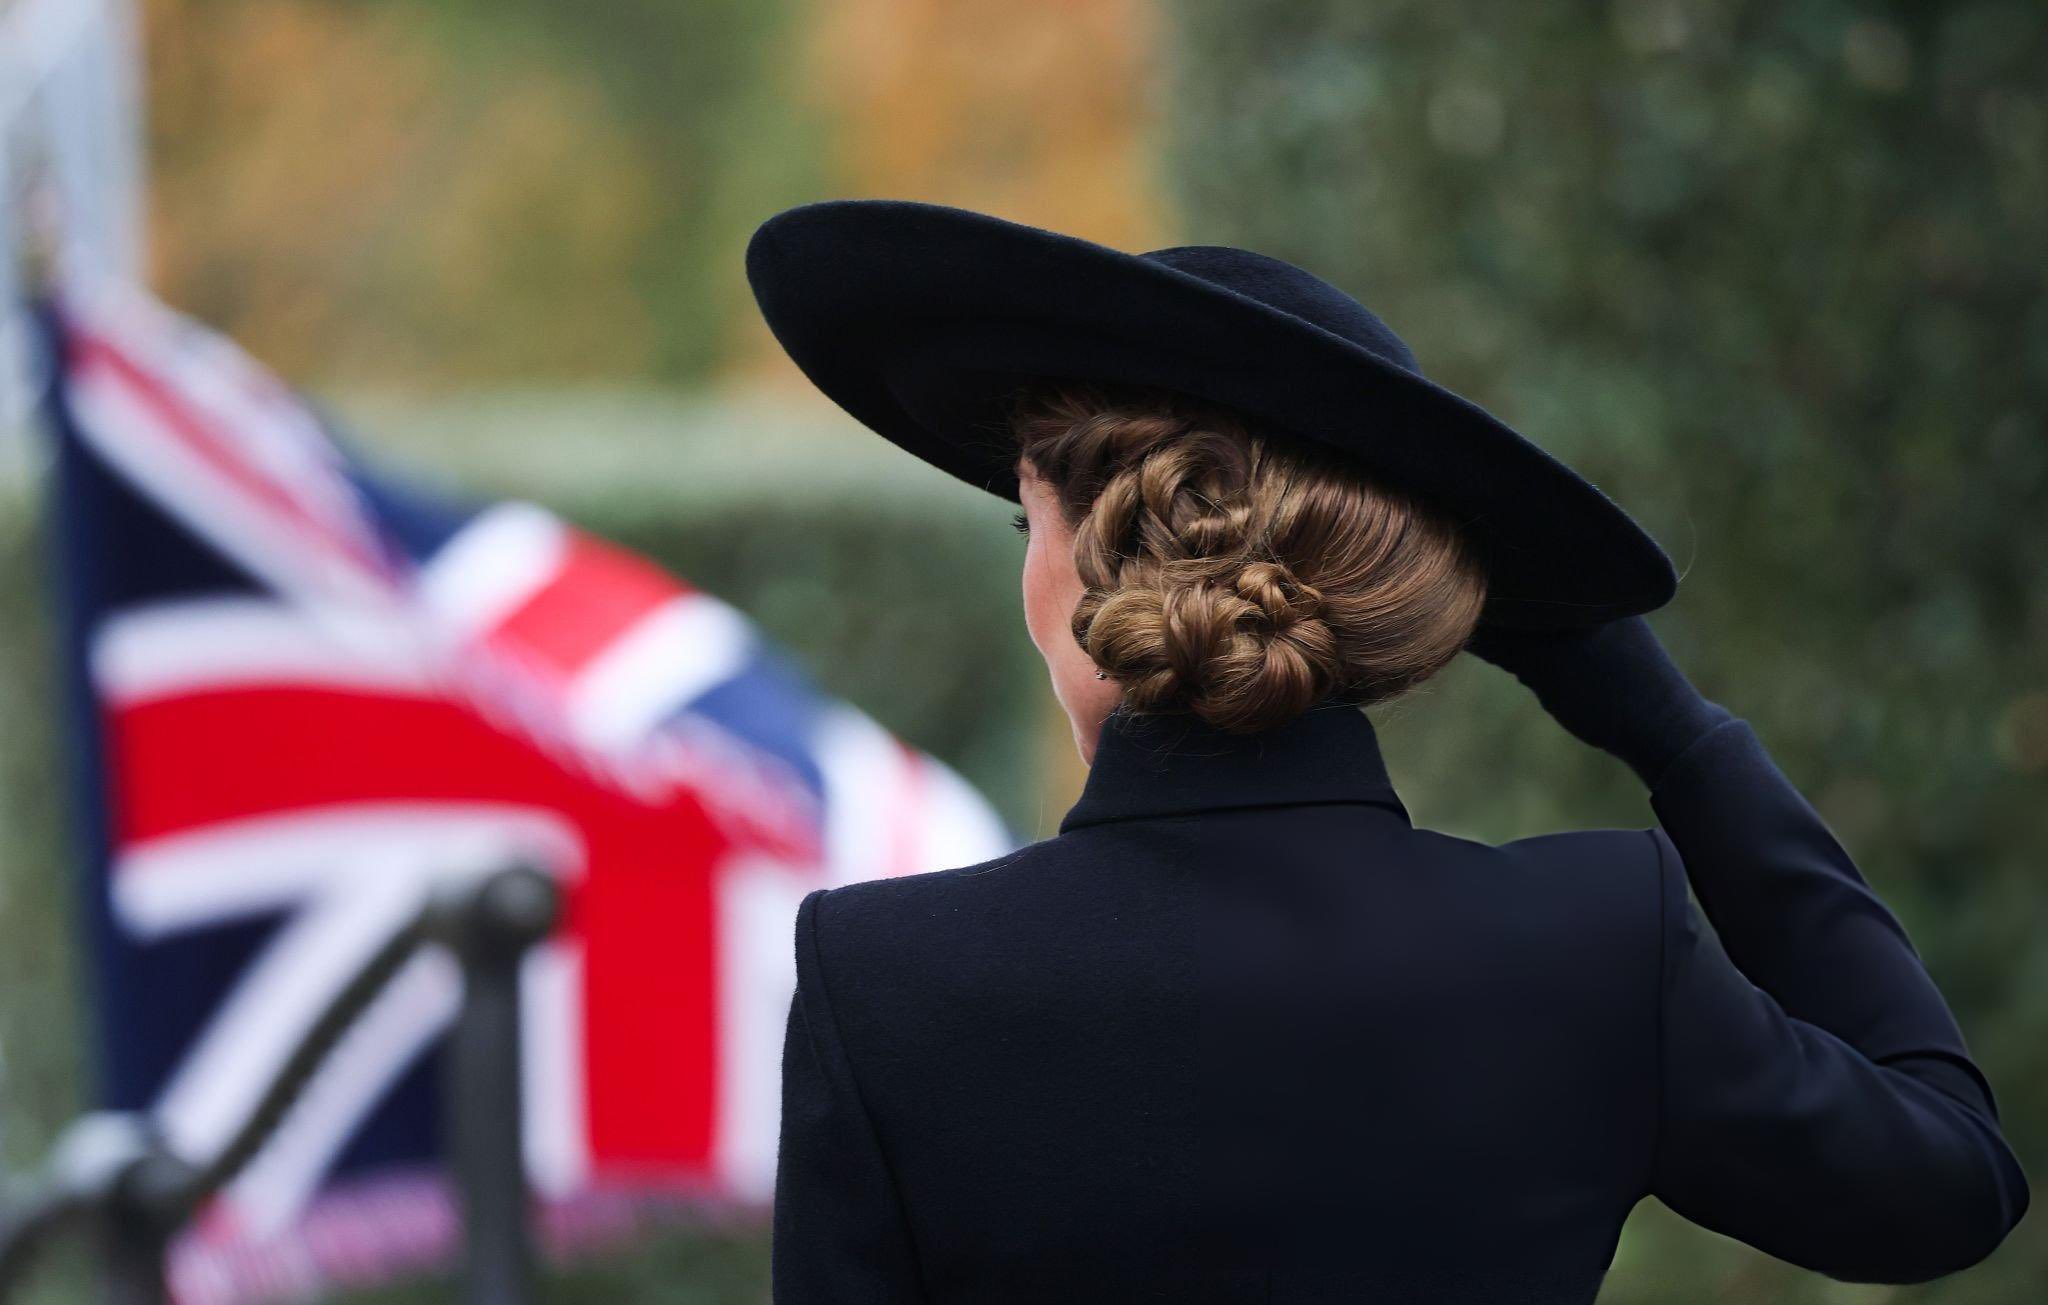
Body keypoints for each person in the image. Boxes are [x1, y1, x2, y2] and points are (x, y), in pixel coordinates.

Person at [744, 199, 2029, 1303]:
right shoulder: (1589, 944)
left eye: (1022, 522)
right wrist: (1676, 736)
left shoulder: (886, 984)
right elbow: (1947, 1178)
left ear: (1085, 562)